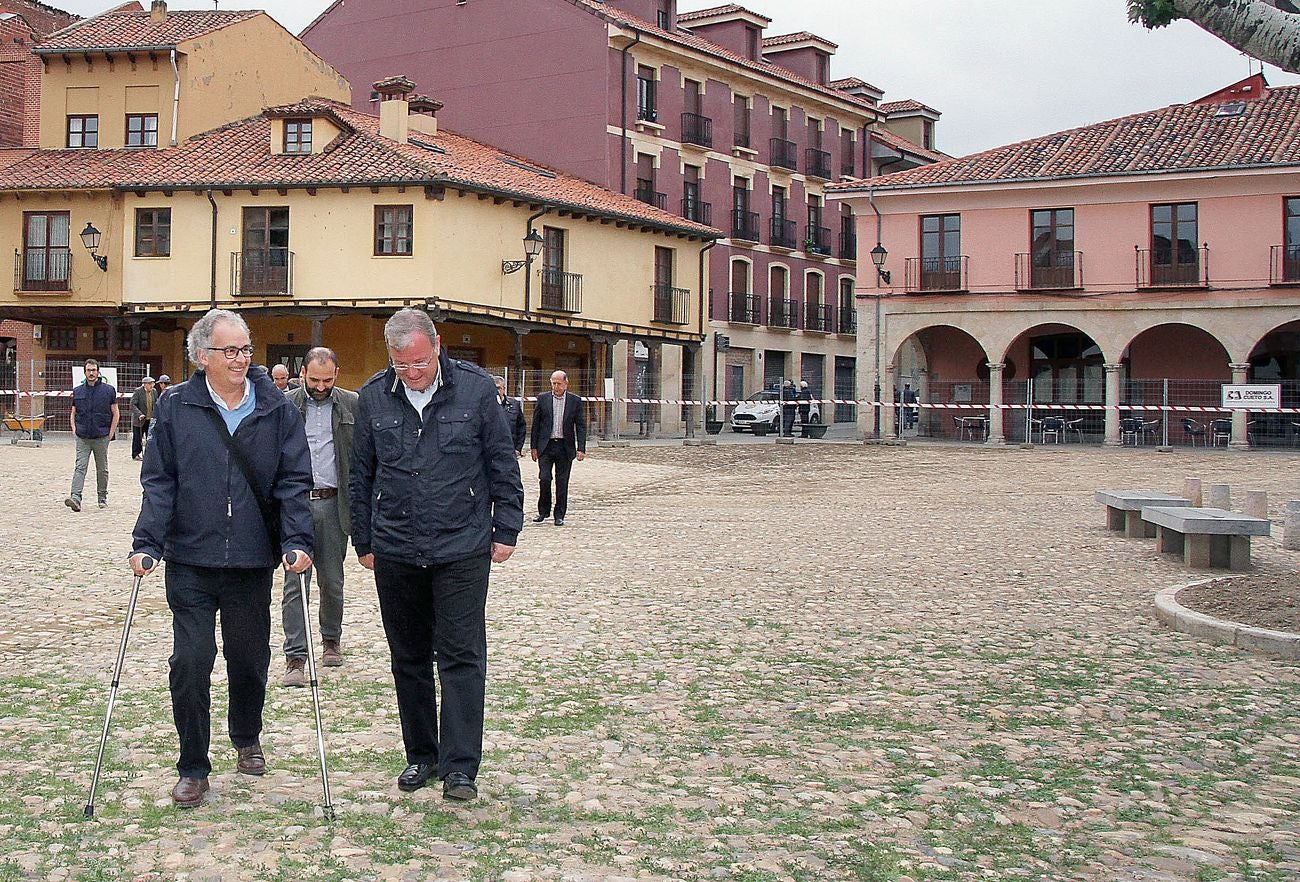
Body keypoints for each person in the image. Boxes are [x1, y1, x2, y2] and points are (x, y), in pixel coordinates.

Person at [129, 308, 314, 809]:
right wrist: (147, 543)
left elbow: (294, 481)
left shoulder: (277, 408)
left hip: (251, 559)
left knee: (249, 658)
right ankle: (193, 765)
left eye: (245, 349)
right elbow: (159, 480)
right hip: (190, 556)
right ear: (202, 356)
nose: (240, 359)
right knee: (190, 661)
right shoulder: (175, 407)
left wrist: (298, 539)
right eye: (229, 350)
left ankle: (246, 733)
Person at [350, 308, 522, 801]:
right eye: (403, 365)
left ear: (438, 345)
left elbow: (500, 462)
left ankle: (461, 765)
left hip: (462, 544)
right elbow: (361, 474)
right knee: (408, 657)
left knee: (462, 655)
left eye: (420, 362)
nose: (414, 372)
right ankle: (421, 754)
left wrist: (506, 525)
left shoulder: (475, 390)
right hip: (397, 546)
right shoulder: (374, 397)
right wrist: (364, 540)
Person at [280, 347, 359, 687]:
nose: (321, 386)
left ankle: (331, 640)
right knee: (294, 583)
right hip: (295, 503)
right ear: (303, 375)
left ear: (337, 374)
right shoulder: (286, 405)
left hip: (333, 503)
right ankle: (295, 656)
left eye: (328, 380)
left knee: (332, 580)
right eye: (314, 379)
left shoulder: (353, 404)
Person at [529, 370, 586, 526]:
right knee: (544, 478)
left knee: (562, 482)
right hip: (546, 446)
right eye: (553, 383)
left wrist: (581, 448)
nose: (556, 386)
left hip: (564, 446)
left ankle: (559, 514)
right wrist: (533, 446)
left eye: (559, 383)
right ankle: (543, 511)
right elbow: (536, 424)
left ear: (566, 383)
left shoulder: (575, 401)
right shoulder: (543, 399)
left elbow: (580, 425)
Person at [66, 358, 120, 511]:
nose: (91, 373)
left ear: (98, 372)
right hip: (82, 437)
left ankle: (102, 497)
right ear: (85, 372)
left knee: (102, 468)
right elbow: (73, 412)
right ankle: (75, 497)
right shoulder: (78, 391)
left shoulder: (109, 390)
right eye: (89, 370)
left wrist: (110, 433)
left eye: (94, 370)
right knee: (80, 467)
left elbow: (115, 413)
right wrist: (74, 429)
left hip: (101, 436)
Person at [493, 375, 527, 457]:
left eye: (498, 388)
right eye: (494, 388)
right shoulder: (485, 406)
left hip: (510, 449)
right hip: (492, 449)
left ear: (504, 389)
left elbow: (521, 427)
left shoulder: (514, 404)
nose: (496, 391)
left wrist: (518, 448)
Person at [129, 376, 156, 460]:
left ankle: (149, 455)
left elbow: (156, 403)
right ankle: (136, 454)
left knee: (150, 438)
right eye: (150, 384)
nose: (152, 386)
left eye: (153, 384)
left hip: (150, 419)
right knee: (137, 438)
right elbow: (132, 404)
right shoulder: (138, 391)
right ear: (145, 384)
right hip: (139, 420)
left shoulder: (154, 392)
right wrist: (139, 414)